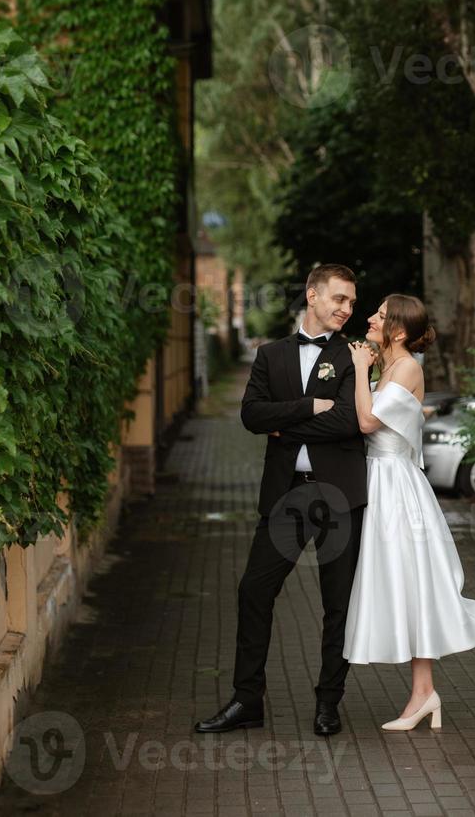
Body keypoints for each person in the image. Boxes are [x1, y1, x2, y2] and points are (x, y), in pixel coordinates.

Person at [194, 264, 368, 737]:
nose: (346, 309)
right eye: (338, 299)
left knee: (338, 605)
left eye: (351, 302)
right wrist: (310, 407)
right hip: (286, 494)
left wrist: (284, 422)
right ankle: (247, 700)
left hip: (340, 496)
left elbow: (349, 422)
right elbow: (251, 415)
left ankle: (328, 703)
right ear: (312, 296)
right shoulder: (270, 355)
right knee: (254, 590)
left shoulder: (356, 354)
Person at [343, 294, 475, 731]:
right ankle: (424, 694)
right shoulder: (392, 366)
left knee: (418, 585)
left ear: (399, 331)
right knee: (408, 590)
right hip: (381, 483)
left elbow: (367, 423)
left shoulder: (405, 367)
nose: (370, 317)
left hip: (396, 489)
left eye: (381, 316)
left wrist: (357, 372)